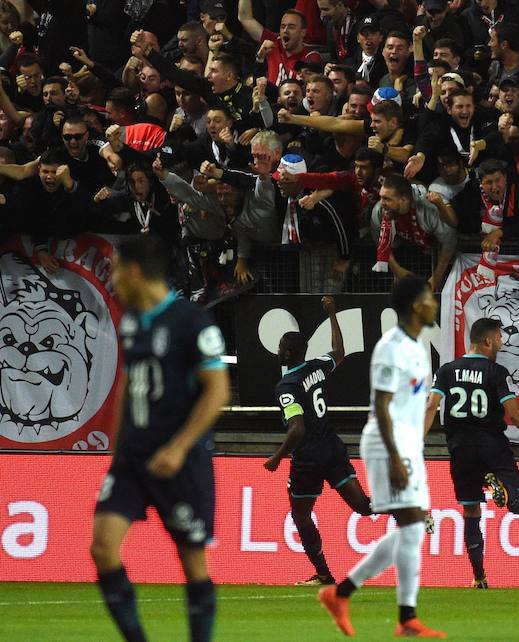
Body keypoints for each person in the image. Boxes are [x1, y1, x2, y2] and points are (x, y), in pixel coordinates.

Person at [90, 235, 230, 642]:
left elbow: (217, 391)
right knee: (102, 547)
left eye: (116, 269)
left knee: (192, 563)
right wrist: (117, 451)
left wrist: (179, 447)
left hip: (180, 460)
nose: (113, 278)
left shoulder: (193, 323)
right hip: (133, 458)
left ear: (134, 272)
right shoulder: (131, 320)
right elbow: (128, 384)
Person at [318, 275, 445, 638]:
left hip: (405, 443)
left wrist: (412, 448)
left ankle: (341, 594)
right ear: (415, 306)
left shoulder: (419, 349)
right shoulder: (391, 346)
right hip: (385, 442)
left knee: (414, 528)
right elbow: (383, 406)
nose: (433, 304)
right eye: (428, 299)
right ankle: (405, 619)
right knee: (411, 525)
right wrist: (394, 455)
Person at [424, 317, 519, 589]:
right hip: (492, 446)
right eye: (500, 337)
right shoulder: (495, 372)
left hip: (459, 449)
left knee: (470, 511)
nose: (502, 341)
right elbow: (513, 412)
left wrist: (418, 439)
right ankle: (503, 488)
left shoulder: (446, 371)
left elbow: (432, 407)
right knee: (518, 504)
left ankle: (479, 577)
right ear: (488, 341)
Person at [264, 296, 373, 587]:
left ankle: (324, 574)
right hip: (333, 448)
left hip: (308, 457)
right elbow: (340, 351)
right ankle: (407, 510)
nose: (278, 351)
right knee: (363, 506)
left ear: (288, 353)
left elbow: (297, 429)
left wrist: (277, 457)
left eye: (280, 348)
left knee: (301, 516)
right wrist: (333, 313)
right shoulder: (317, 367)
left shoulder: (286, 386)